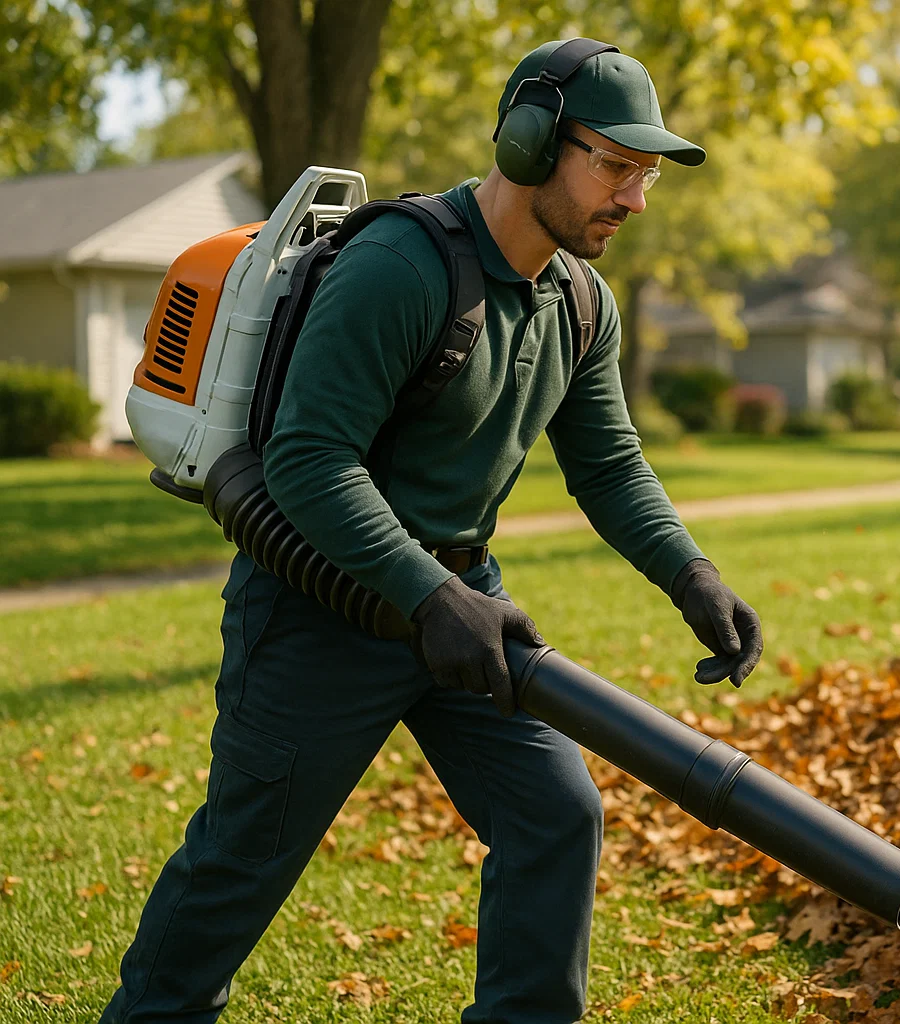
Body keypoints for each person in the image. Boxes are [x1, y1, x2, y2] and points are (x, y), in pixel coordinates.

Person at [100, 38, 763, 1024]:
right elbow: (308, 460)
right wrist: (427, 594)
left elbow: (610, 465)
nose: (633, 198)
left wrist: (690, 572)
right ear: (531, 140)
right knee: (244, 856)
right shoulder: (401, 267)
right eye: (616, 166)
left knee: (555, 813)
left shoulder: (582, 302)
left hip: (464, 606)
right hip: (319, 608)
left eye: (648, 175)